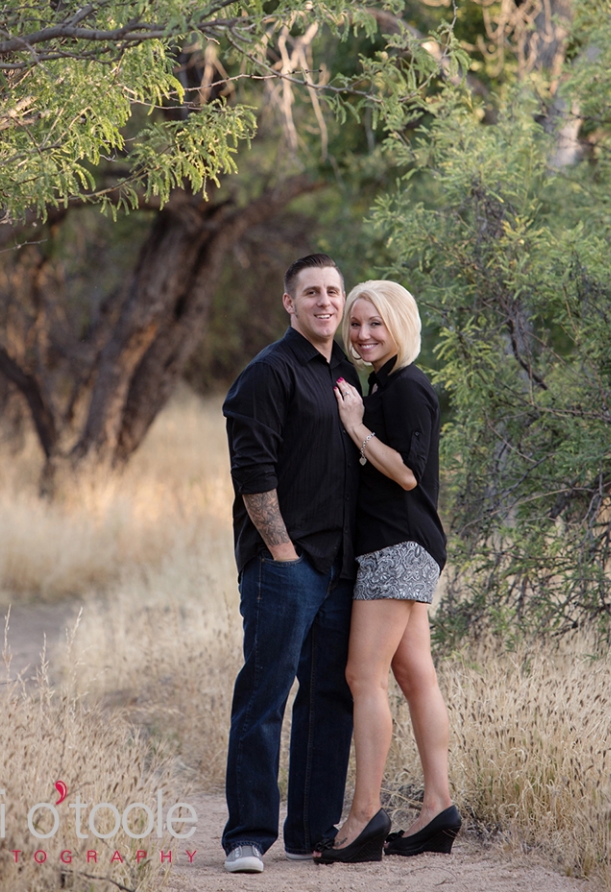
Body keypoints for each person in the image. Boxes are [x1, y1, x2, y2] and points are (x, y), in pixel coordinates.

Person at [220, 253, 361, 874]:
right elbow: (253, 472)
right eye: (312, 293)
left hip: (338, 565)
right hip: (285, 565)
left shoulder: (344, 370)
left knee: (329, 696)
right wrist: (282, 553)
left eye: (333, 291)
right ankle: (247, 837)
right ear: (289, 303)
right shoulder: (268, 372)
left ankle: (311, 832)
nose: (326, 301)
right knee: (266, 692)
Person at [314, 279, 460, 865]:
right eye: (356, 323)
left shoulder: (406, 390)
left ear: (400, 325)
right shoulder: (386, 386)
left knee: (362, 677)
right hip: (401, 545)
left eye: (375, 323)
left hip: (396, 546)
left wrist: (356, 426)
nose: (362, 334)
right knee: (413, 673)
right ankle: (437, 806)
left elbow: (405, 474)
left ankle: (364, 814)